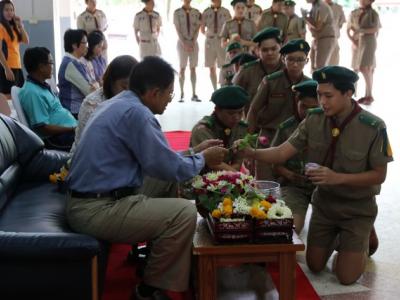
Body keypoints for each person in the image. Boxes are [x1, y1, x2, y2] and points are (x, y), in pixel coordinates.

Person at [66, 56, 227, 299]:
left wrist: (195, 152)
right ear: (154, 92)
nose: (169, 101)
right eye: (169, 95)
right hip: (96, 209)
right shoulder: (138, 115)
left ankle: (157, 255)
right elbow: (168, 165)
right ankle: (149, 289)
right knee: (184, 213)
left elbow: (158, 160)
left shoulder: (121, 103)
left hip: (92, 198)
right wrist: (204, 158)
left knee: (166, 180)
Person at [235, 65, 393, 285]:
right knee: (315, 265)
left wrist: (337, 178)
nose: (322, 102)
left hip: (357, 209)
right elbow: (282, 151)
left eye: (329, 96)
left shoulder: (373, 127)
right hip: (325, 206)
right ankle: (342, 241)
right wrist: (252, 152)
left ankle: (359, 242)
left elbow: (379, 175)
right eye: (319, 95)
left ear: (348, 93)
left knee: (346, 277)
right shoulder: (314, 119)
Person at [247, 39, 310, 179]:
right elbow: (253, 110)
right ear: (283, 59)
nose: (295, 64)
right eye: (291, 59)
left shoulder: (310, 85)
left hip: (295, 140)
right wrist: (249, 141)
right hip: (269, 137)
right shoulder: (270, 81)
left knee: (293, 182)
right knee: (265, 184)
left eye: (300, 60)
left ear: (307, 60)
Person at [270, 80, 319, 233]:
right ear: (296, 103)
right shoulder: (286, 128)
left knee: (370, 244)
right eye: (304, 106)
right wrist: (290, 175)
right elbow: (275, 163)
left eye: (314, 108)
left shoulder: (330, 126)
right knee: (290, 228)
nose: (308, 112)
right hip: (294, 186)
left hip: (325, 187)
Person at [71, 55, 138, 153]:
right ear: (111, 82)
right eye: (124, 87)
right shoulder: (92, 104)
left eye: (133, 88)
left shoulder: (134, 100)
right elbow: (93, 147)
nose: (129, 93)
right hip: (86, 159)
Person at [19, 47, 77, 151]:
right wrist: (72, 128)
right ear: (41, 67)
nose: (53, 66)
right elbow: (43, 128)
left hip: (67, 133)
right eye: (51, 63)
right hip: (57, 139)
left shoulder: (41, 86)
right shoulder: (32, 92)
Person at [190, 85, 249, 172]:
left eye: (240, 112)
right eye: (231, 113)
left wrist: (234, 177)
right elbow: (214, 164)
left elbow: (238, 161)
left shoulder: (240, 128)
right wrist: (238, 177)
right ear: (217, 110)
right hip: (200, 179)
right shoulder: (203, 130)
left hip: (227, 177)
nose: (236, 117)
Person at [233, 27, 283, 114]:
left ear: (281, 48)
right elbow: (233, 99)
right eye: (265, 50)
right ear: (257, 51)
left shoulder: (289, 71)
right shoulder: (247, 71)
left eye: (273, 49)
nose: (270, 53)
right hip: (253, 124)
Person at [347, 0, 380, 105]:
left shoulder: (373, 13)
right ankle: (367, 95)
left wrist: (362, 31)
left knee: (365, 67)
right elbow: (349, 27)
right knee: (361, 67)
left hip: (369, 41)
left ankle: (369, 95)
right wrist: (353, 39)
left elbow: (375, 29)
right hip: (358, 41)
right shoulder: (355, 12)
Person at [58, 29, 94, 118]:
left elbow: (92, 84)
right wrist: (94, 86)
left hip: (79, 110)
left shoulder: (75, 62)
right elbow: (90, 92)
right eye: (85, 43)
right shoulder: (71, 64)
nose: (87, 46)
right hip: (75, 113)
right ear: (74, 45)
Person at [173, 0, 202, 103]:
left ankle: (194, 93)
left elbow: (198, 28)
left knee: (193, 68)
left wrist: (193, 41)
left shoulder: (197, 12)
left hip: (193, 42)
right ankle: (181, 93)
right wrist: (184, 43)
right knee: (182, 68)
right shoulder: (177, 12)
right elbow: (177, 29)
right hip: (182, 43)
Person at [0, 0, 29, 99]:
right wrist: (6, 69)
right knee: (8, 96)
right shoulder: (0, 27)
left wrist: (20, 25)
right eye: (6, 10)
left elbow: (26, 41)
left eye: (12, 10)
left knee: (18, 95)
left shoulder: (14, 27)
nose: (10, 12)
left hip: (17, 66)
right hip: (7, 67)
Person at [201, 0, 231, 91]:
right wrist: (208, 34)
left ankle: (222, 88)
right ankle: (215, 90)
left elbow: (230, 27)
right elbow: (202, 29)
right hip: (210, 41)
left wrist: (226, 39)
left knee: (223, 66)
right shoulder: (206, 12)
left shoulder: (226, 12)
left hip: (221, 40)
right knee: (211, 66)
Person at [304, 0, 336, 72]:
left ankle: (323, 83)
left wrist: (306, 18)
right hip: (317, 38)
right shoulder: (315, 6)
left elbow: (318, 26)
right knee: (313, 68)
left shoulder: (322, 6)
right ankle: (316, 83)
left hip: (325, 38)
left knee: (320, 67)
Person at [325, 0, 345, 65]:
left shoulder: (338, 8)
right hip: (321, 39)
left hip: (334, 38)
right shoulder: (319, 7)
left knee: (334, 61)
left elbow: (341, 23)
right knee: (321, 64)